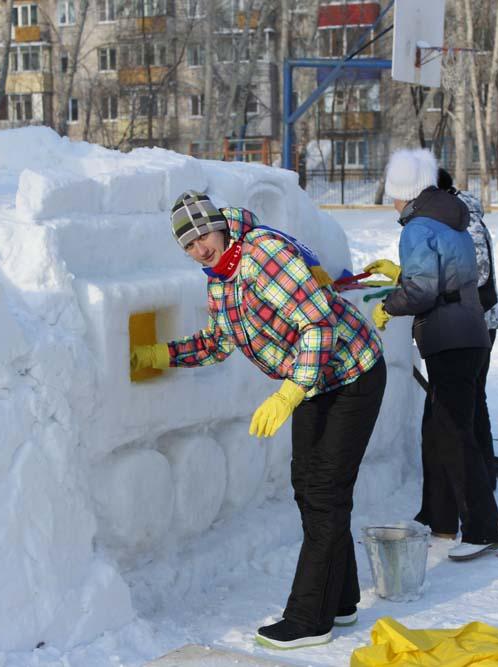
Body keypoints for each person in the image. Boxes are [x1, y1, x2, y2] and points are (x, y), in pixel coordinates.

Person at [131, 191, 386, 649]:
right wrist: (161, 354)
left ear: (219, 226)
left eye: (202, 235)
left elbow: (318, 323)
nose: (198, 249)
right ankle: (341, 598)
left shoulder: (264, 253)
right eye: (187, 245)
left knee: (326, 490)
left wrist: (290, 391)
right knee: (308, 487)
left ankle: (310, 618)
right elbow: (217, 341)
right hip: (312, 379)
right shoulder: (220, 278)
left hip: (351, 372)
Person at [364, 149, 498, 561]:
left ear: (404, 193)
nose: (390, 203)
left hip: (449, 336)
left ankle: (483, 530)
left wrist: (390, 304)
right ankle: (441, 520)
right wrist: (404, 276)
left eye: (392, 194)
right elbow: (452, 275)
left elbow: (424, 290)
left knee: (454, 433)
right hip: (471, 331)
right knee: (445, 428)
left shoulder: (418, 228)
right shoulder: (452, 218)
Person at [437, 167, 498, 491]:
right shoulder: (452, 216)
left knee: (472, 400)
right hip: (465, 322)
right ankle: (480, 473)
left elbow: (475, 274)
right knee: (473, 399)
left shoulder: (465, 219)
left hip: (477, 324)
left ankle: (480, 476)